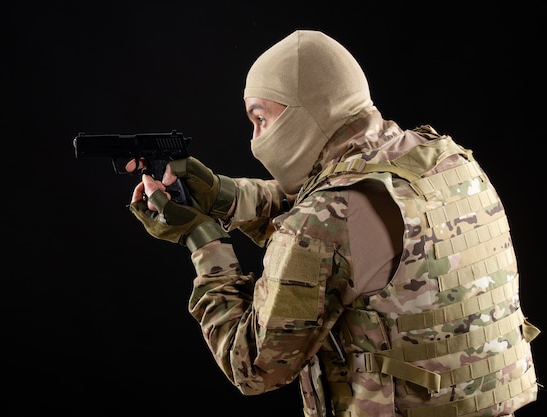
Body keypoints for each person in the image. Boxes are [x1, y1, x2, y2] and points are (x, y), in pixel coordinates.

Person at [127, 30, 540, 416]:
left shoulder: (328, 216)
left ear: (308, 111)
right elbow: (332, 218)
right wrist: (224, 196)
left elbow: (251, 366)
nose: (254, 138)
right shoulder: (442, 160)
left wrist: (202, 238)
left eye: (261, 119)